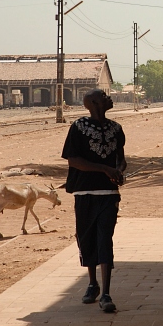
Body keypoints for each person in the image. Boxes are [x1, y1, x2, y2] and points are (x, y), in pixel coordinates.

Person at [61, 89, 126, 313]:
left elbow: (121, 158)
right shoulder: (78, 128)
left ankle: (106, 293)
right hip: (84, 192)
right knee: (86, 238)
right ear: (94, 103)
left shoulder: (116, 129)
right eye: (105, 96)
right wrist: (104, 168)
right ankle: (92, 283)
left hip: (108, 194)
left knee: (105, 239)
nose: (109, 98)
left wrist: (118, 171)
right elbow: (74, 161)